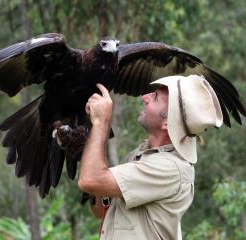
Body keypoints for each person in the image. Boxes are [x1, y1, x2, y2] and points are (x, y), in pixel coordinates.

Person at [78, 75, 223, 239]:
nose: (144, 97)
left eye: (155, 98)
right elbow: (99, 210)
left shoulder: (170, 168)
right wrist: (87, 147)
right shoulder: (139, 156)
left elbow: (89, 180)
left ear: (167, 123)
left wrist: (100, 123)